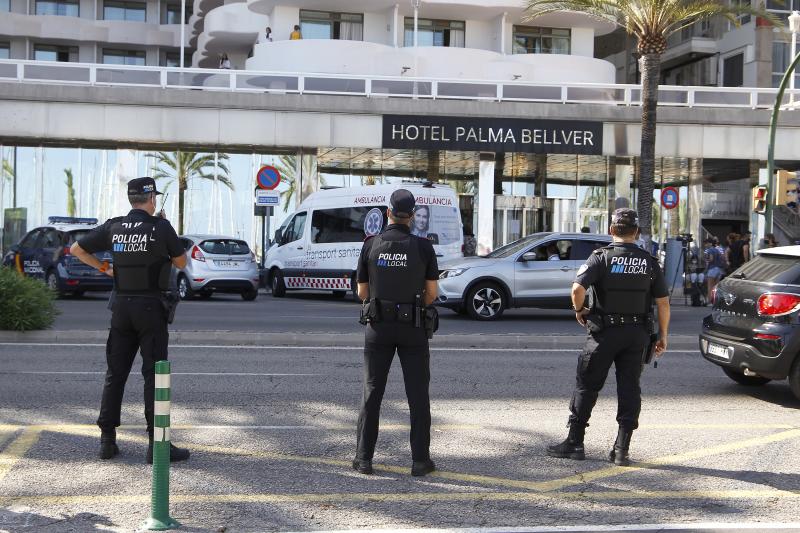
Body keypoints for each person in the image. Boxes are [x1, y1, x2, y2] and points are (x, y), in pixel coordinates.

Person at [70, 177, 190, 464]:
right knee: (154, 376)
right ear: (152, 200)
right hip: (151, 309)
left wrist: (103, 267)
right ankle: (156, 445)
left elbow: (76, 249)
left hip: (121, 308)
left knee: (116, 374)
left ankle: (107, 441)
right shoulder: (160, 227)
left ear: (131, 200)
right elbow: (181, 262)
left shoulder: (115, 226)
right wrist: (163, 232)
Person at [547, 208, 670, 466]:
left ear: (611, 230)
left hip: (604, 334)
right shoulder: (649, 261)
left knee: (587, 385)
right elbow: (663, 303)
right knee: (629, 389)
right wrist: (663, 336)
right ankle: (621, 450)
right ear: (636, 232)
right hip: (637, 335)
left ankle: (575, 443)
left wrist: (580, 311)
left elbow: (576, 289)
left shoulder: (600, 257)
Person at [354, 189, 439, 477]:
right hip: (413, 328)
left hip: (378, 328)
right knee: (417, 395)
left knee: (372, 393)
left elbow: (362, 292)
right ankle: (419, 461)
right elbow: (432, 294)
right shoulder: (423, 247)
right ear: (412, 215)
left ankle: (364, 459)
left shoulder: (370, 244)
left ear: (387, 212)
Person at [703, 238, 726, 304]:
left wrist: (706, 259)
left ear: (710, 243)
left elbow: (711, 259)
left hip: (712, 269)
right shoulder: (717, 250)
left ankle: (710, 301)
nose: (705, 245)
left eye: (706, 243)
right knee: (716, 287)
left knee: (710, 287)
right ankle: (716, 301)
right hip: (719, 270)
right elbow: (722, 258)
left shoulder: (710, 250)